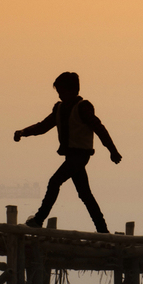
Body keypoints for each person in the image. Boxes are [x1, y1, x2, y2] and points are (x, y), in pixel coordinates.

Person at [15, 72, 121, 233]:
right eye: (58, 92)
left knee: (54, 182)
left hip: (80, 156)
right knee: (85, 195)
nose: (60, 95)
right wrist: (23, 132)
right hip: (71, 157)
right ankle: (103, 230)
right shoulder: (59, 109)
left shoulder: (83, 108)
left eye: (62, 91)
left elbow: (99, 129)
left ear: (73, 90)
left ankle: (38, 219)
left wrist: (112, 151)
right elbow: (43, 126)